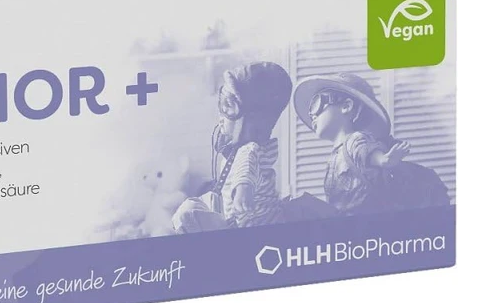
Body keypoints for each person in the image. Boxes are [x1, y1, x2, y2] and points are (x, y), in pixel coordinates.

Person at [173, 61, 292, 232]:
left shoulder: (248, 150)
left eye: (227, 109)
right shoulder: (241, 151)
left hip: (254, 224)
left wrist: (243, 188)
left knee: (188, 212)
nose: (221, 118)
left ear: (251, 120)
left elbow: (246, 168)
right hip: (245, 218)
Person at [292, 72, 411, 215]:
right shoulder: (335, 154)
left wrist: (384, 160)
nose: (312, 115)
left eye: (316, 104)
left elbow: (366, 152)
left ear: (346, 106)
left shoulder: (354, 140)